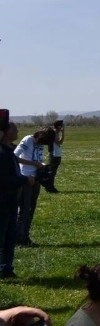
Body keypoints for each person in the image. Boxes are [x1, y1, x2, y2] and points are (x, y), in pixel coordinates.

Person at [14, 127, 55, 247]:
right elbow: (14, 157)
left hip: (36, 178)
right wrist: (33, 164)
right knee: (24, 209)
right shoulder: (28, 140)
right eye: (43, 142)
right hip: (26, 178)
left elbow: (38, 158)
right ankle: (18, 238)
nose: (42, 145)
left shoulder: (41, 143)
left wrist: (42, 165)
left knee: (31, 209)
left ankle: (25, 236)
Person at [1, 116, 30, 280]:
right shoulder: (2, 154)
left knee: (10, 237)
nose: (17, 131)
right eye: (14, 129)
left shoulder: (9, 151)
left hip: (11, 202)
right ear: (5, 133)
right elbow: (4, 180)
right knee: (3, 236)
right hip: (3, 201)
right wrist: (24, 179)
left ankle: (7, 268)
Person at [43, 121, 64, 194]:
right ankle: (49, 187)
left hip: (57, 154)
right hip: (54, 154)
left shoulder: (56, 133)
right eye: (62, 126)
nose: (62, 127)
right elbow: (59, 142)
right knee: (51, 172)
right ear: (59, 126)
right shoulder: (53, 133)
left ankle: (50, 186)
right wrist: (63, 133)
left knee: (53, 172)